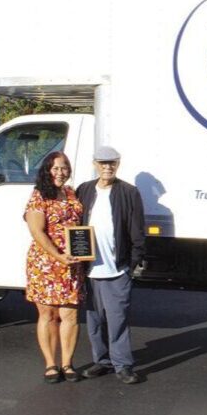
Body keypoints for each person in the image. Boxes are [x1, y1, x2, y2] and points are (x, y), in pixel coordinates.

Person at [77, 145, 147, 384]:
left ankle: (123, 364)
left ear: (118, 164)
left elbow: (137, 232)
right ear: (95, 164)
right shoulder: (84, 190)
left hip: (117, 269)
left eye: (112, 163)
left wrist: (131, 265)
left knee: (118, 319)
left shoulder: (129, 192)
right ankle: (102, 361)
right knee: (94, 321)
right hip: (89, 270)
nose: (107, 167)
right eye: (102, 163)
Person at [23, 151, 85, 384]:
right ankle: (51, 363)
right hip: (46, 263)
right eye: (56, 168)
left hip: (72, 262)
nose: (61, 172)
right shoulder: (39, 195)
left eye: (65, 167)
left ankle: (67, 363)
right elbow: (37, 231)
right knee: (48, 315)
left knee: (70, 314)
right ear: (48, 170)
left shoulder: (71, 193)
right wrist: (57, 256)